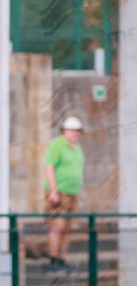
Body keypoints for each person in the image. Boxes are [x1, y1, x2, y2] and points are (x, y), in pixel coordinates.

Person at [44, 116, 85, 273]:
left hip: (73, 193)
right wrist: (53, 190)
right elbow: (49, 167)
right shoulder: (57, 145)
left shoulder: (77, 147)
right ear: (65, 131)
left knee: (69, 227)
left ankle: (62, 259)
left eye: (77, 131)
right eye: (73, 130)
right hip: (59, 192)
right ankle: (53, 260)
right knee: (57, 226)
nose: (76, 133)